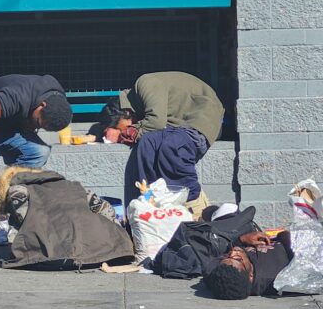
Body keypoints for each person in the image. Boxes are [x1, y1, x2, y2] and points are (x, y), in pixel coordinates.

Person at [0, 74, 71, 239]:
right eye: (38, 122)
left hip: (8, 127)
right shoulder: (18, 95)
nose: (37, 127)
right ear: (42, 105)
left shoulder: (56, 98)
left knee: (40, 152)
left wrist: (30, 126)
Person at [93, 72, 225, 220]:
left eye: (117, 128)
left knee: (171, 147)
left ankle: (197, 205)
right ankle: (151, 203)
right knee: (146, 143)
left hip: (200, 120)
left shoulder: (145, 83)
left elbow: (156, 123)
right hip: (177, 127)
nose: (121, 132)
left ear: (123, 114)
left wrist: (123, 134)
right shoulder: (141, 114)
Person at [202, 231, 293, 300]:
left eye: (228, 256)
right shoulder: (275, 279)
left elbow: (210, 268)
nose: (234, 251)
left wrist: (241, 240)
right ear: (250, 276)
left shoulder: (218, 273)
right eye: (238, 259)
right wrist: (287, 238)